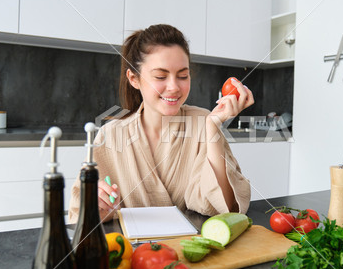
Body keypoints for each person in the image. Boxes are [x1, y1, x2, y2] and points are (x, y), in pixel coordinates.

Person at [68, 24, 254, 223]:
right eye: (160, 76)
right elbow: (80, 217)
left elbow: (225, 207)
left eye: (183, 76)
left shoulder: (203, 122)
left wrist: (213, 127)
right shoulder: (110, 135)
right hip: (132, 251)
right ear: (134, 79)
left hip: (194, 248)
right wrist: (98, 209)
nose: (174, 87)